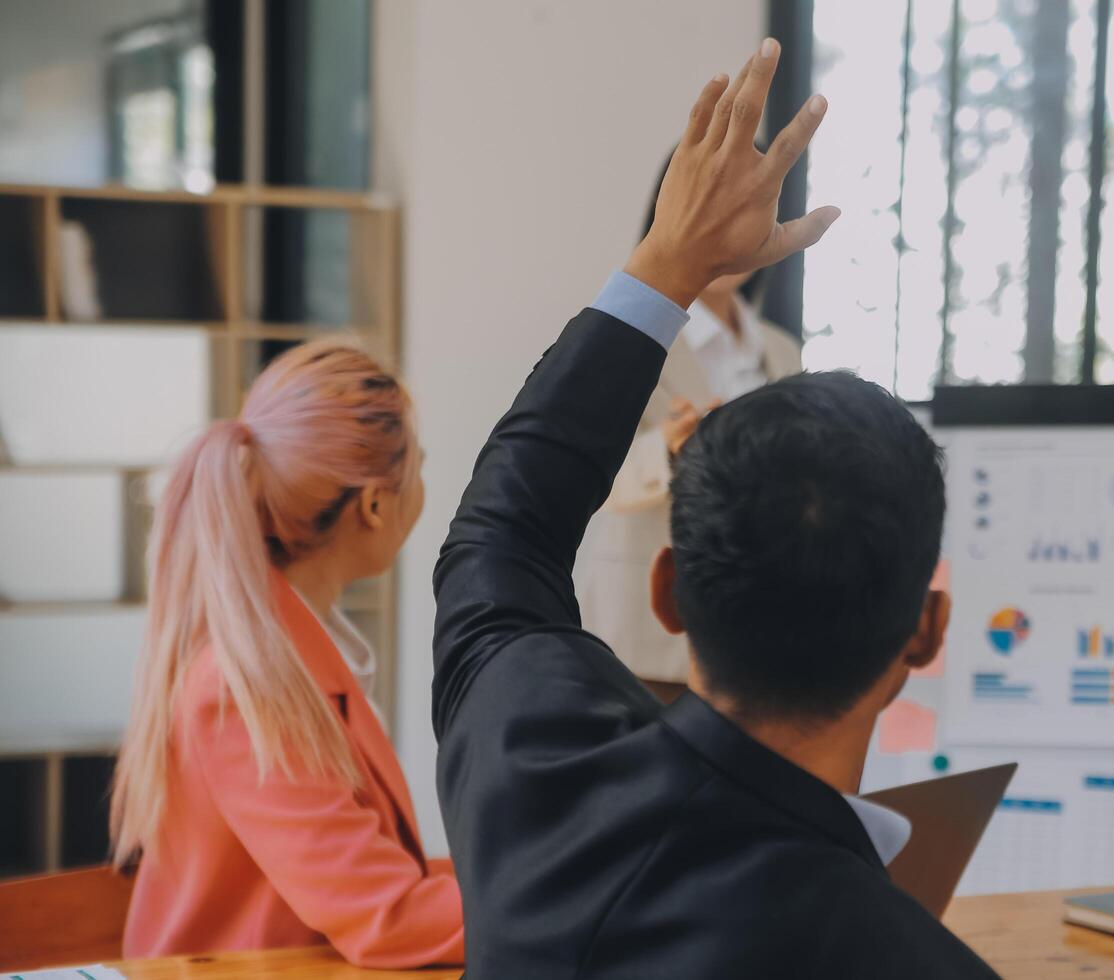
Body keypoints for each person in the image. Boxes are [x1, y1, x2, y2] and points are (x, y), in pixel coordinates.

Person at [433, 40, 999, 978]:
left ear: (672, 590)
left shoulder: (525, 748)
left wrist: (660, 269)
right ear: (925, 628)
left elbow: (505, 528)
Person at [111, 342, 463, 967]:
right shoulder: (241, 688)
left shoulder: (282, 649)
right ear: (375, 507)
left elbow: (370, 872)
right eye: (421, 470)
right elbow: (388, 917)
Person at [577, 152, 802, 687]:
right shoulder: (626, 335)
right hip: (647, 637)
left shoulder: (783, 351)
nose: (736, 232)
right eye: (718, 211)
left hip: (761, 632)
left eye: (754, 211)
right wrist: (670, 449)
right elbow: (586, 474)